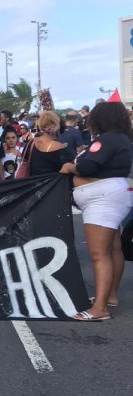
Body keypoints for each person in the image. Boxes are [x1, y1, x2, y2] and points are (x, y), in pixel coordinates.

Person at [60, 102, 133, 321]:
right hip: (114, 194)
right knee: (113, 249)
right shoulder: (122, 138)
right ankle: (109, 296)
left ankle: (99, 309)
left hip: (103, 199)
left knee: (99, 254)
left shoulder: (107, 139)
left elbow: (86, 167)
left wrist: (71, 167)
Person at [27, 111, 73, 176]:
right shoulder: (60, 147)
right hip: (53, 184)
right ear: (56, 126)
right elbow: (70, 167)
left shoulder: (31, 142)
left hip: (33, 184)